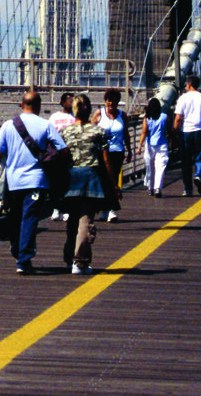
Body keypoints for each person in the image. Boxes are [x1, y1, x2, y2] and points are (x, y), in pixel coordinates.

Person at [0, 91, 68, 274]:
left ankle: (18, 251)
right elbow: (63, 150)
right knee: (30, 217)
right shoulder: (46, 125)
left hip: (14, 181)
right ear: (39, 106)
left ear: (22, 105)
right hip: (37, 179)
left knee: (15, 217)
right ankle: (23, 260)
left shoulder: (8, 125)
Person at [58, 94, 115, 275]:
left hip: (70, 178)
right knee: (85, 220)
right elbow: (106, 161)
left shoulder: (64, 132)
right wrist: (114, 184)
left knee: (72, 220)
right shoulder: (98, 132)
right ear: (89, 109)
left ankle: (69, 259)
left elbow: (61, 157)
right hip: (91, 178)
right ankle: (80, 262)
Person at [173, 77, 201, 196]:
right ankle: (199, 176)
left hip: (186, 132)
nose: (185, 87)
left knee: (186, 161)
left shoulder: (183, 98)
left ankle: (187, 189)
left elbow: (178, 118)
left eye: (186, 85)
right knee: (200, 157)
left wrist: (174, 133)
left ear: (189, 85)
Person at [97, 88, 127, 222]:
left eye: (114, 101)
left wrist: (130, 150)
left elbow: (125, 133)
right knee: (104, 180)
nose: (111, 103)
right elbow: (91, 130)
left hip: (117, 151)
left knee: (113, 179)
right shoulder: (99, 114)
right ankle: (105, 210)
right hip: (101, 152)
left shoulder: (122, 115)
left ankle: (111, 210)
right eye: (108, 101)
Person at [45, 92, 76, 221]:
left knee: (68, 183)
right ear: (63, 103)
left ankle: (67, 209)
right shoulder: (54, 117)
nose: (72, 103)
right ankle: (56, 208)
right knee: (55, 183)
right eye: (70, 101)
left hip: (70, 156)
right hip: (56, 155)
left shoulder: (75, 117)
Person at [139, 97, 170, 198]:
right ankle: (158, 188)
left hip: (149, 145)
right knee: (160, 167)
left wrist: (139, 146)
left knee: (150, 167)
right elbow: (170, 131)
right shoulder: (165, 117)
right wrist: (175, 140)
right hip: (162, 144)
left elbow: (144, 132)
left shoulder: (147, 118)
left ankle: (150, 187)